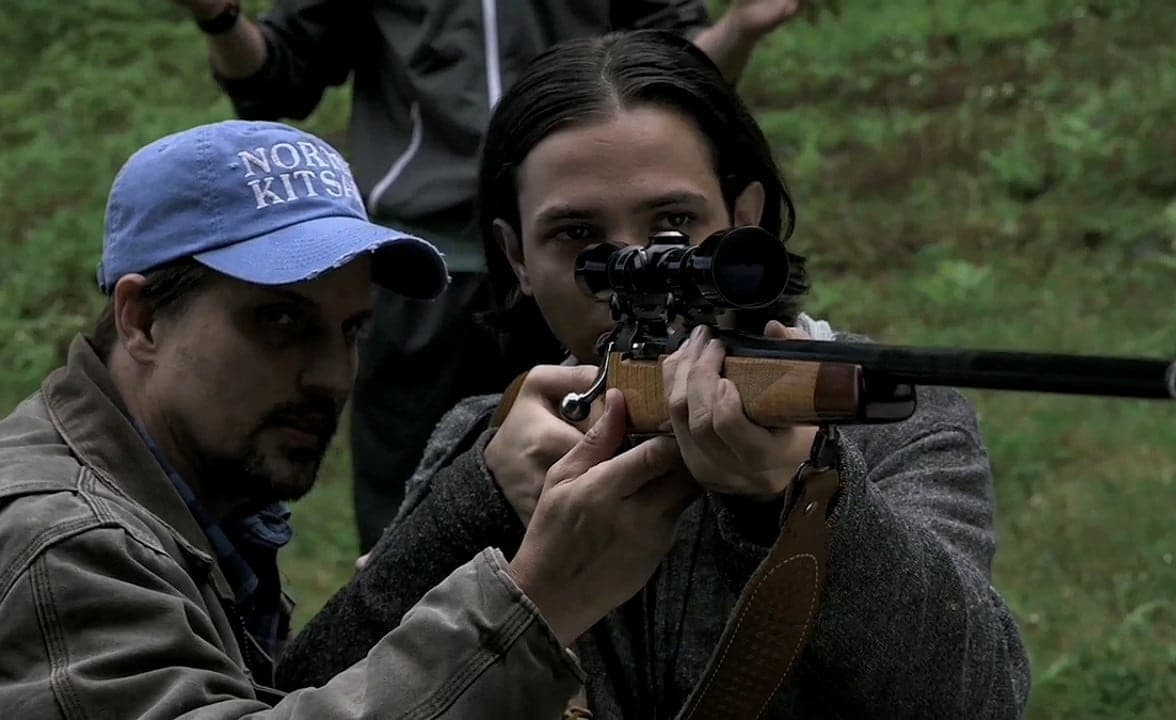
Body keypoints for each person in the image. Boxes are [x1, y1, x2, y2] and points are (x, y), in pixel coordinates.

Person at [275, 32, 1033, 718]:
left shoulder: (894, 417)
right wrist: (479, 499)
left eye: (674, 228)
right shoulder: (488, 435)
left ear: (747, 221)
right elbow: (306, 691)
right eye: (578, 237)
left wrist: (802, 496)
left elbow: (979, 695)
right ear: (516, 260)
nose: (638, 269)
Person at [0, 119, 703, 717]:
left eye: (351, 330)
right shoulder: (65, 542)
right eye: (279, 321)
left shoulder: (198, 497)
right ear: (143, 317)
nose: (334, 377)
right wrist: (538, 599)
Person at [169, 0, 811, 553]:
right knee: (431, 492)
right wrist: (220, 15)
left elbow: (672, 81)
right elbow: (277, 79)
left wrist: (742, 27)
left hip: (555, 258)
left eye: (673, 220)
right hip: (423, 273)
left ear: (743, 215)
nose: (631, 252)